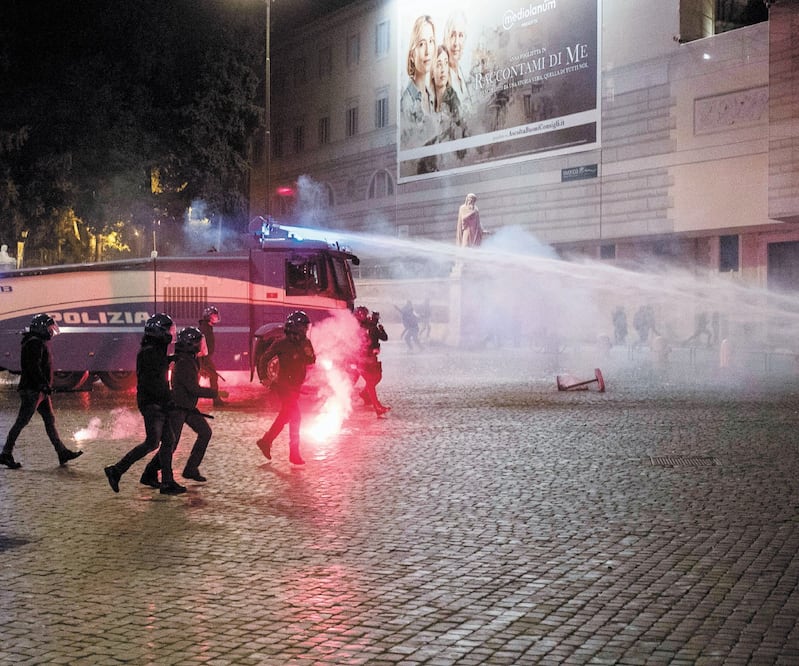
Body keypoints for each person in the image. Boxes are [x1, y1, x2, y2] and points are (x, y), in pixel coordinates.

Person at [104, 313, 186, 495]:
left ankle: (167, 482)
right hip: (153, 404)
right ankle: (116, 470)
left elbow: (158, 368)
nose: (170, 334)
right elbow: (154, 381)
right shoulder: (150, 352)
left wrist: (170, 359)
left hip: (157, 402)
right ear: (159, 332)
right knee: (152, 442)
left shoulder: (154, 349)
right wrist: (168, 400)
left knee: (168, 441)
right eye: (168, 330)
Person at [0, 314, 83, 469]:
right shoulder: (35, 343)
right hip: (32, 390)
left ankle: (62, 452)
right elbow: (34, 367)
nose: (51, 331)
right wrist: (43, 384)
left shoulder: (37, 341)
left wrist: (44, 386)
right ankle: (6, 453)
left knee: (49, 421)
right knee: (22, 421)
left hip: (38, 390)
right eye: (49, 328)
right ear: (41, 328)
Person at [139, 326, 218, 484]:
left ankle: (191, 468)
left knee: (205, 432)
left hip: (187, 407)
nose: (201, 346)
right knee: (171, 445)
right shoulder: (184, 362)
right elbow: (193, 389)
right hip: (178, 409)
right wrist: (213, 393)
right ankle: (149, 473)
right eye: (198, 343)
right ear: (190, 344)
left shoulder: (189, 359)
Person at [256, 311, 316, 466]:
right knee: (295, 416)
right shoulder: (281, 343)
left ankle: (266, 441)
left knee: (286, 415)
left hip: (296, 385)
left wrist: (309, 354)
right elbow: (264, 359)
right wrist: (264, 377)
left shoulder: (305, 342)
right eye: (303, 327)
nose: (305, 330)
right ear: (296, 327)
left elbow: (311, 360)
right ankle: (293, 453)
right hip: (284, 385)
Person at [400, 15, 436, 147]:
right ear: (412, 55)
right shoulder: (406, 102)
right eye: (421, 44)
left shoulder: (430, 95)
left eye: (431, 41)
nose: (428, 51)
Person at [353, 306, 390, 417]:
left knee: (377, 377)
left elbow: (384, 337)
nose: (364, 316)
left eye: (365, 314)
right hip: (361, 359)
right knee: (370, 381)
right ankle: (377, 407)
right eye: (362, 314)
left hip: (371, 358)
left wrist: (380, 328)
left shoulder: (371, 325)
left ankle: (365, 394)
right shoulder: (355, 327)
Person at [444, 11, 475, 115]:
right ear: (446, 38)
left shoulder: (463, 74)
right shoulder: (442, 78)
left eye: (460, 35)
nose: (456, 43)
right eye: (452, 35)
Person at [198, 306, 226, 407]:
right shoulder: (205, 329)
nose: (216, 317)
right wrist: (202, 362)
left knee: (198, 377)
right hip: (203, 358)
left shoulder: (206, 328)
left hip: (203, 357)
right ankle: (216, 400)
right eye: (214, 315)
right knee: (213, 376)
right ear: (209, 317)